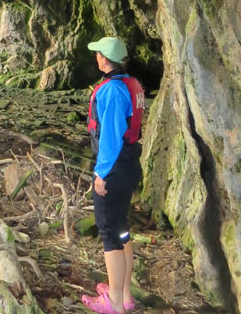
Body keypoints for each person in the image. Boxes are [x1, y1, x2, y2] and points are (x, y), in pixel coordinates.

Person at [81, 36, 145, 314]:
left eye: (98, 54)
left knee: (109, 235)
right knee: (122, 229)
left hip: (115, 168)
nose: (96, 57)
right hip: (130, 165)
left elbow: (110, 138)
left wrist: (101, 174)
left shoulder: (111, 91)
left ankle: (114, 303)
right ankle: (124, 293)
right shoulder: (132, 84)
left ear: (105, 59)